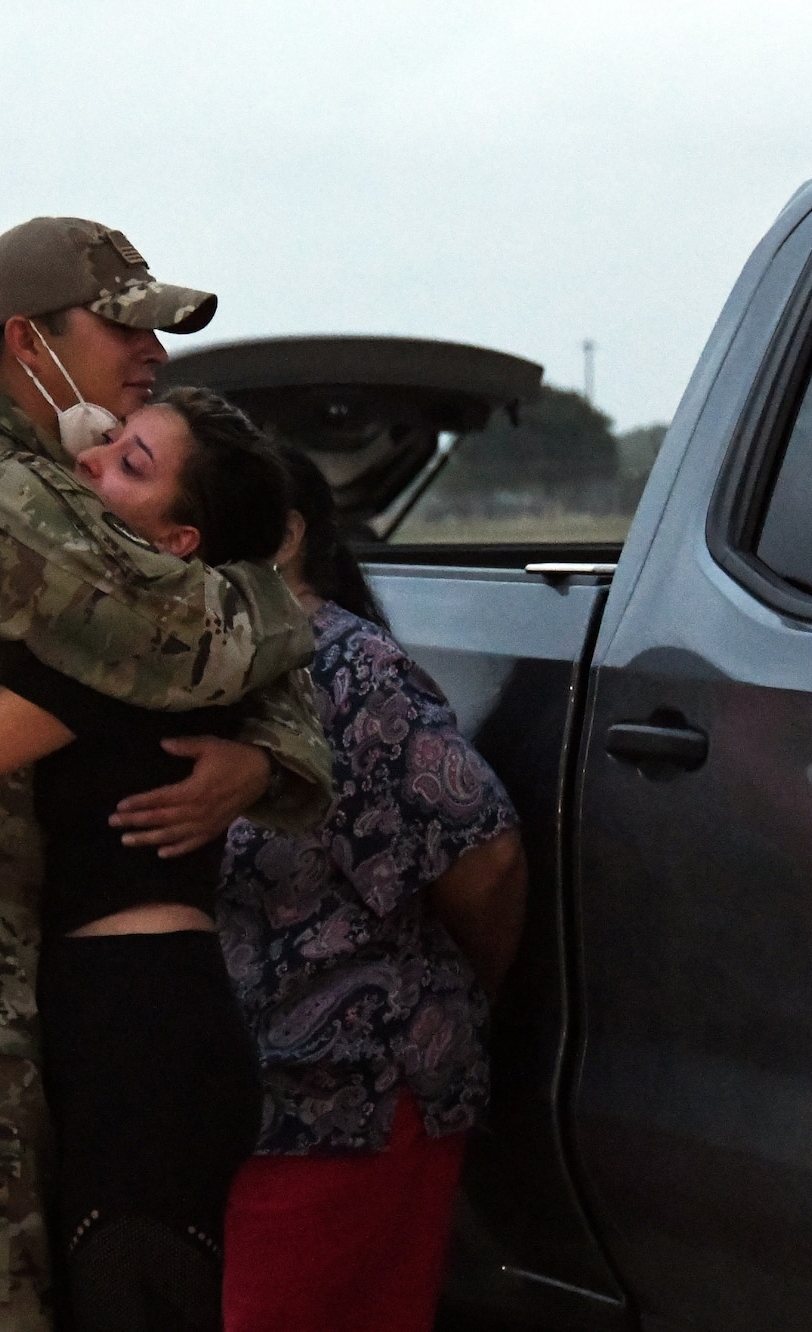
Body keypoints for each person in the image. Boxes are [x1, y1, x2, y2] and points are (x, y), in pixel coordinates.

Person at [0, 216, 332, 1331]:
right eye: (123, 325)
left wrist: (258, 755)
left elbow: (190, 652)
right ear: (27, 339)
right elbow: (189, 637)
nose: (151, 352)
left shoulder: (53, 483)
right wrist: (289, 586)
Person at [216, 447, 529, 1332]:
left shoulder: (351, 675)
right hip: (244, 1103)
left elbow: (487, 858)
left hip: (346, 1102)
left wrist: (456, 1006)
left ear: (283, 539)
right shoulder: (202, 670)